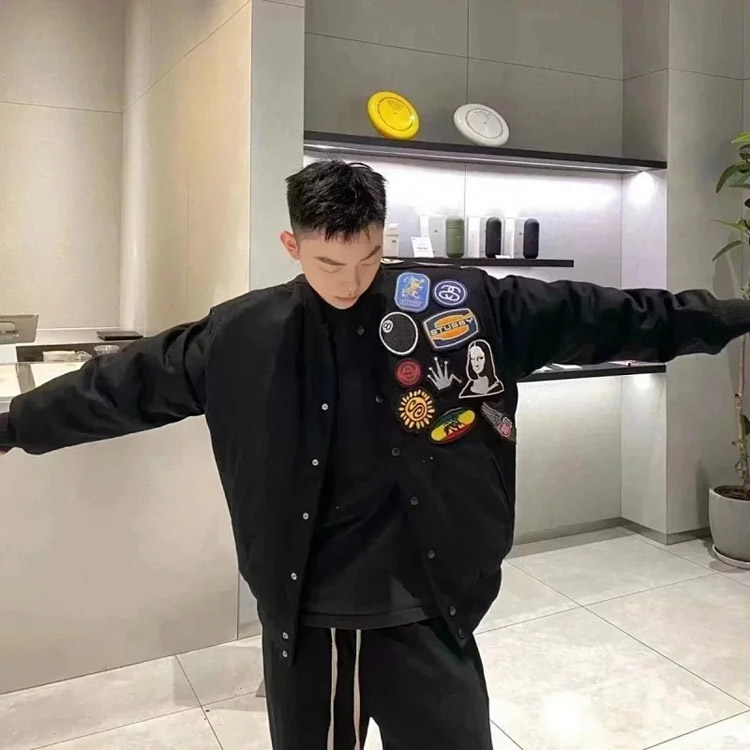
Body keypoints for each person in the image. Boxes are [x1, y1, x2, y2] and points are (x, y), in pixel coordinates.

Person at [2, 159, 750, 750]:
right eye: (329, 264)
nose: (351, 281)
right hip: (308, 610)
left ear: (384, 236)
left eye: (367, 258)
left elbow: (612, 316)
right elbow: (122, 385)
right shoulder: (241, 335)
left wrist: (730, 316)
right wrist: (12, 424)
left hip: (427, 600)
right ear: (292, 245)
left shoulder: (463, 306)